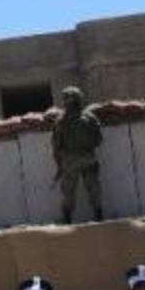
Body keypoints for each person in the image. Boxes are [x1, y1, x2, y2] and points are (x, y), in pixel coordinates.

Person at [52, 86, 103, 224]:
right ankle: (99, 214)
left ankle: (67, 218)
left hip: (70, 161)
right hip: (89, 157)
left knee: (68, 190)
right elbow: (99, 139)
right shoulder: (90, 117)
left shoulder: (61, 120)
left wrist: (59, 165)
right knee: (93, 187)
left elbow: (56, 145)